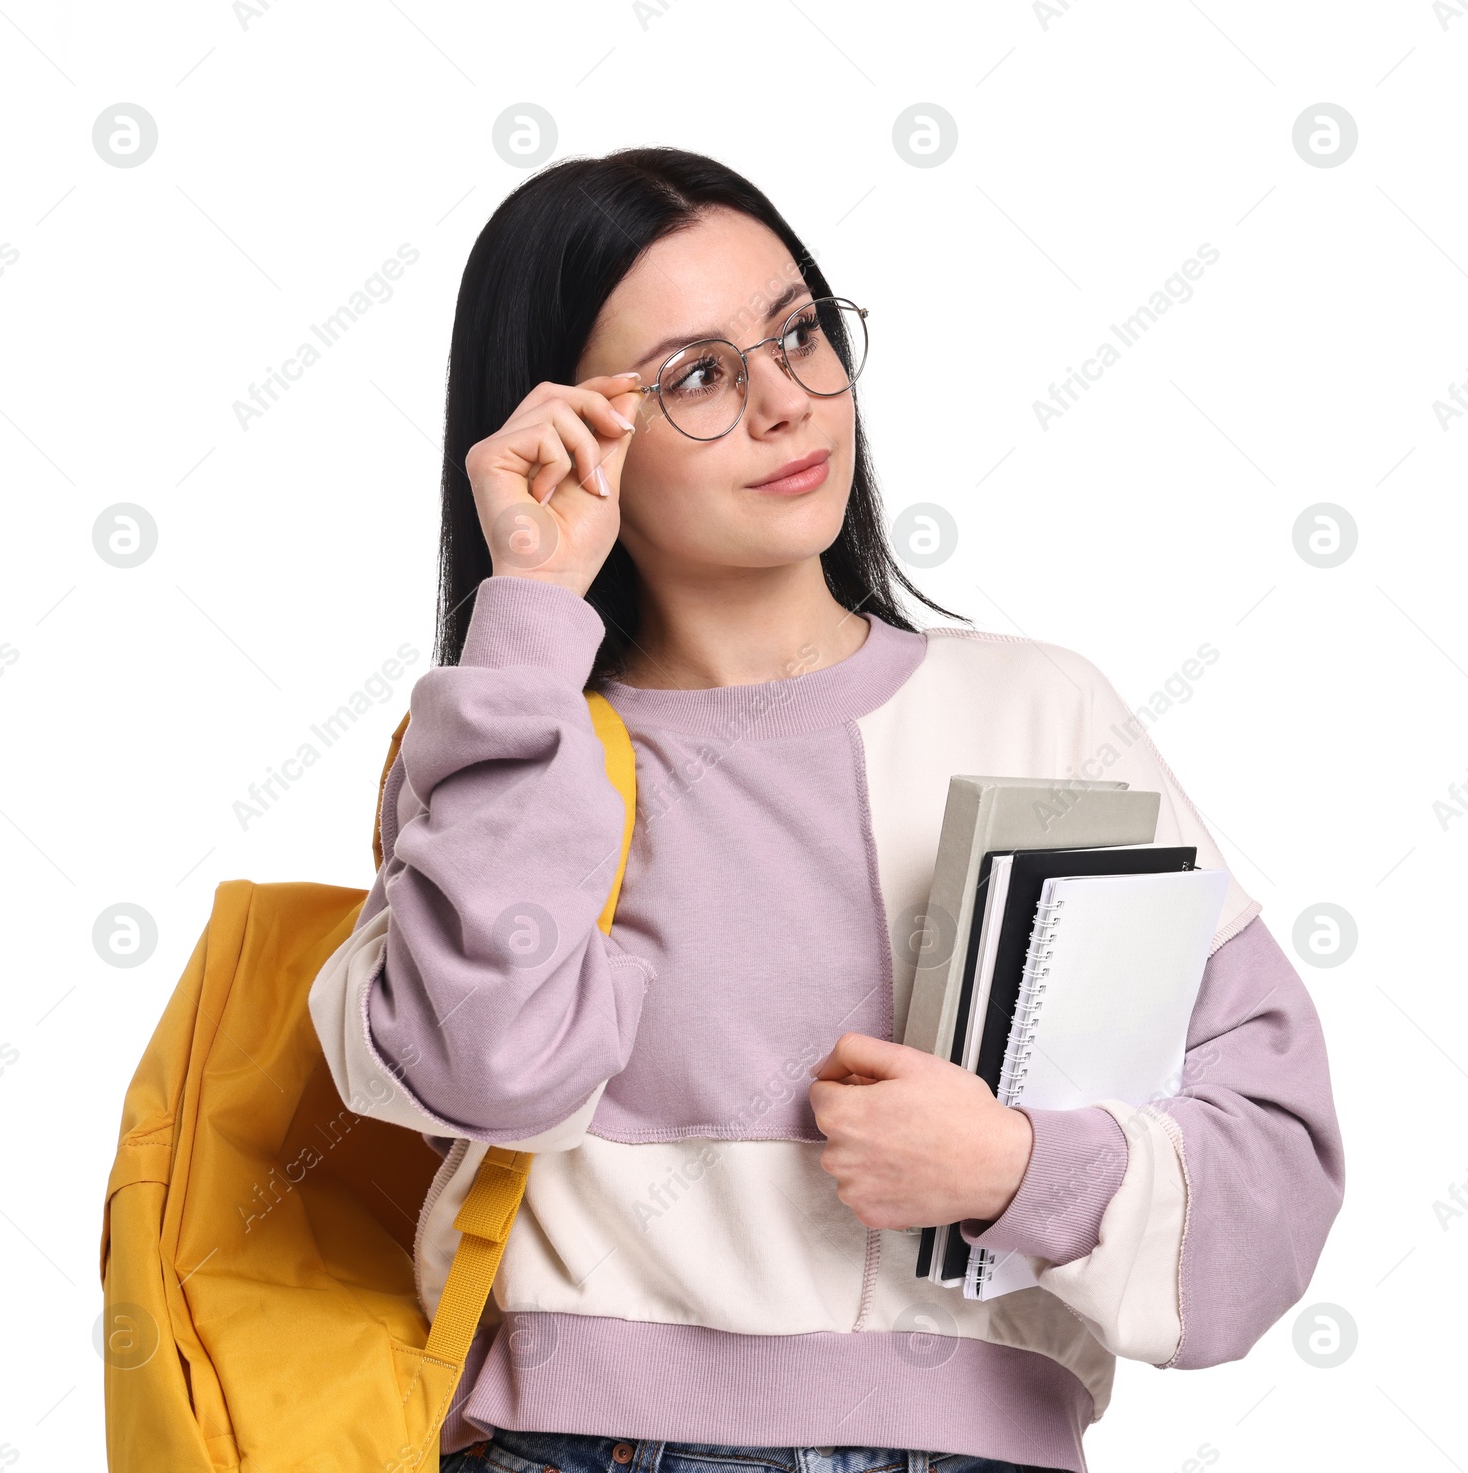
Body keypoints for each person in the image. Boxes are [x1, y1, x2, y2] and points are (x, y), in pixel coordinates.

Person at [309, 146, 1343, 1473]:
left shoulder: (1044, 716)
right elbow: (487, 1071)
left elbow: (1275, 1175)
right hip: (588, 1449)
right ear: (569, 434)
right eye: (696, 375)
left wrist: (1016, 1169)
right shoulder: (512, 742)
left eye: (797, 333)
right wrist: (529, 617)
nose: (786, 402)